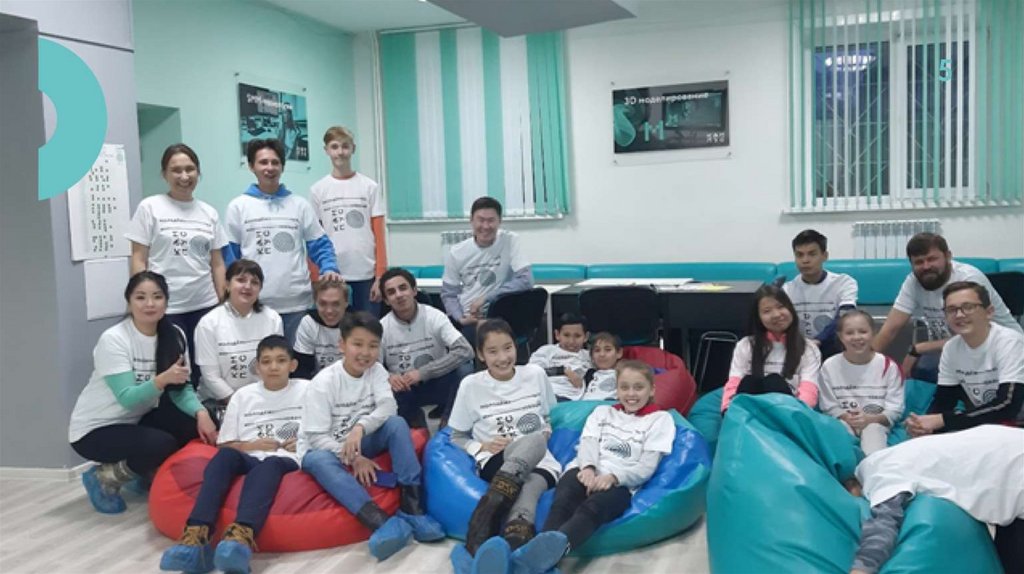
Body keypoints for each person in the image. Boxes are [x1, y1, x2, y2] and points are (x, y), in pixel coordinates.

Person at [487, 360, 676, 574]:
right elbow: (588, 443)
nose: (631, 394)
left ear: (652, 389)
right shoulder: (602, 412)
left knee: (592, 509)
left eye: (638, 387)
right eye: (624, 387)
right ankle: (538, 558)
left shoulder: (660, 420)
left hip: (621, 483)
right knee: (563, 501)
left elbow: (646, 467)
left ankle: (545, 558)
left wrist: (613, 477)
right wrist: (588, 467)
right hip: (584, 469)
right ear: (616, 389)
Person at [299, 312, 445, 561]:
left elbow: (389, 407)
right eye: (357, 344)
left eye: (373, 346)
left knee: (397, 424)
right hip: (328, 448)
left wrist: (360, 428)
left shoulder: (376, 371)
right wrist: (353, 458)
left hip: (361, 439)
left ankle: (412, 507)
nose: (365, 353)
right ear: (342, 345)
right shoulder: (323, 383)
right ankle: (381, 522)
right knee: (316, 459)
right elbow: (316, 437)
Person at [69, 271, 217, 514]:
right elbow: (127, 398)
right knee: (161, 444)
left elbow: (181, 389)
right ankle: (103, 478)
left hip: (136, 420)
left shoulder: (174, 334)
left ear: (166, 302)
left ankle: (141, 470)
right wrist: (161, 380)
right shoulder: (114, 339)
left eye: (157, 297)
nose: (150, 304)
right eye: (140, 297)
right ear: (129, 302)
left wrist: (201, 413)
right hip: (96, 429)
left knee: (194, 423)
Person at [159, 335, 307, 574]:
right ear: (257, 367)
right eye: (266, 361)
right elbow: (225, 445)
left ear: (293, 365)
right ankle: (196, 537)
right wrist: (251, 445)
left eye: (281, 360)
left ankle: (239, 540)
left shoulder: (308, 390)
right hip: (248, 452)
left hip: (285, 459)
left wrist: (302, 443)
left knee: (269, 464)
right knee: (224, 458)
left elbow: (324, 431)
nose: (273, 367)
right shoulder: (243, 395)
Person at [447, 319, 561, 564]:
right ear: (480, 354)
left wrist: (546, 430)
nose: (502, 357)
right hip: (497, 461)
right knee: (533, 441)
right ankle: (488, 518)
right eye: (492, 351)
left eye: (508, 348)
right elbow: (456, 436)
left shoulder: (535, 374)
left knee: (530, 481)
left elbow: (549, 416)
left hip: (541, 462)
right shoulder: (471, 385)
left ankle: (512, 543)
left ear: (515, 346)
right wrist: (481, 446)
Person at [845, 425, 1024, 574]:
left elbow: (884, 524)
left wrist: (861, 569)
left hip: (1011, 464)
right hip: (1007, 444)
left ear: (854, 489)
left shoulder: (879, 476)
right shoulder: (883, 458)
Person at [222, 138, 342, 343]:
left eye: (275, 162)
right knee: (262, 360)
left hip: (297, 305)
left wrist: (329, 267)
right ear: (251, 166)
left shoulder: (299, 205)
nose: (269, 168)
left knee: (297, 359)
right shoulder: (238, 207)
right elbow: (230, 258)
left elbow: (320, 244)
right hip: (255, 305)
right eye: (263, 162)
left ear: (282, 167)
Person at [126, 144, 227, 386]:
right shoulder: (150, 207)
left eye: (190, 169)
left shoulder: (209, 213)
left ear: (198, 172)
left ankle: (203, 409)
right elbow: (138, 258)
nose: (184, 176)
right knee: (172, 370)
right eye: (176, 170)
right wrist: (143, 301)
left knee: (204, 370)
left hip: (204, 304)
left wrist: (223, 302)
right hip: (167, 307)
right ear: (164, 174)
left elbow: (217, 263)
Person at [872, 233, 1020, 380]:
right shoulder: (913, 282)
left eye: (932, 259)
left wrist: (919, 348)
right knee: (921, 370)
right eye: (919, 262)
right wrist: (866, 363)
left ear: (948, 256)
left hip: (997, 348)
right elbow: (890, 329)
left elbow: (974, 334)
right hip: (953, 349)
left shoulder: (968, 278)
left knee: (933, 371)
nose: (926, 266)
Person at [906, 281, 1024, 437]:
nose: (959, 315)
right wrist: (923, 426)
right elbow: (944, 402)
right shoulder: (951, 348)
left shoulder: (1010, 342)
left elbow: (1008, 406)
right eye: (951, 310)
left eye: (968, 307)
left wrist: (943, 421)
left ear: (989, 312)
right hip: (989, 426)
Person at [378, 268, 474, 429]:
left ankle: (449, 422)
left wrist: (423, 373)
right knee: (385, 387)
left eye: (403, 288)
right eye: (391, 292)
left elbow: (465, 350)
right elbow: (373, 366)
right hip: (405, 389)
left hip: (438, 381)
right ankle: (415, 424)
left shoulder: (435, 316)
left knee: (465, 370)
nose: (399, 295)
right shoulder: (381, 327)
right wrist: (389, 376)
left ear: (414, 291)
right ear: (386, 300)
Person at [310, 126, 387, 315]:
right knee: (335, 328)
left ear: (353, 149)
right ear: (326, 150)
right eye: (334, 147)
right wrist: (315, 277)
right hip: (331, 274)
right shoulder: (318, 190)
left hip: (366, 272)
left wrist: (380, 276)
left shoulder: (369, 187)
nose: (340, 152)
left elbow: (379, 235)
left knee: (367, 327)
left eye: (345, 146)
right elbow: (313, 238)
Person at [194, 260, 283, 414]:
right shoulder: (209, 323)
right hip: (219, 401)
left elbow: (277, 365)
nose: (247, 286)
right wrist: (239, 404)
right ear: (227, 285)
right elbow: (210, 376)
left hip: (262, 399)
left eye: (254, 282)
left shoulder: (272, 319)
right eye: (241, 280)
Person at [441, 197, 533, 343]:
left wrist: (486, 297)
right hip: (470, 318)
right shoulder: (457, 252)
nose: (485, 226)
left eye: (491, 220)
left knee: (495, 341)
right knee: (472, 344)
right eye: (480, 220)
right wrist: (460, 318)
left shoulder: (510, 240)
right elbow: (449, 294)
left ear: (499, 221)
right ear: (471, 221)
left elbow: (526, 280)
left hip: (502, 315)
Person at [720, 285, 822, 412]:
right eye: (767, 311)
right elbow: (734, 381)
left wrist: (799, 414)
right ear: (758, 317)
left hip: (787, 413)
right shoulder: (745, 345)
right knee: (750, 381)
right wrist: (727, 410)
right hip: (751, 412)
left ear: (791, 309)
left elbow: (809, 389)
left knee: (774, 382)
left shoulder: (808, 348)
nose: (776, 315)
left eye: (781, 307)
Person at [819, 311, 903, 455]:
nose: (857, 337)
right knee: (839, 431)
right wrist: (846, 417)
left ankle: (872, 466)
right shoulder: (829, 366)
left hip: (876, 422)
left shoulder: (888, 366)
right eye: (849, 333)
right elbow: (828, 406)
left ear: (873, 333)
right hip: (843, 421)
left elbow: (895, 409)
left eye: (863, 332)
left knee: (873, 431)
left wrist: (871, 419)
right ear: (840, 336)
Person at [782, 229, 858, 359]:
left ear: (825, 256)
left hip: (835, 350)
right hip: (800, 352)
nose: (805, 260)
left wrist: (819, 340)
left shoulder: (844, 282)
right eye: (799, 255)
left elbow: (845, 316)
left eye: (812, 254)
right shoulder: (787, 289)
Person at [529, 313, 592, 402]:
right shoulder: (547, 351)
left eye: (577, 336)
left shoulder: (588, 356)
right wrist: (563, 371)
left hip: (574, 398)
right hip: (547, 394)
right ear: (557, 334)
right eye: (566, 335)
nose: (571, 341)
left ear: (586, 337)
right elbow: (532, 372)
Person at [293, 278, 347, 379]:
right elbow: (302, 369)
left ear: (346, 303)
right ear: (315, 303)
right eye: (323, 304)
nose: (329, 311)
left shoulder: (357, 325)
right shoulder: (308, 323)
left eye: (336, 304)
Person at [581, 332, 624, 401]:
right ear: (591, 356)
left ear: (619, 353)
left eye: (608, 350)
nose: (602, 354)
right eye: (597, 350)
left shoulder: (624, 374)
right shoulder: (587, 374)